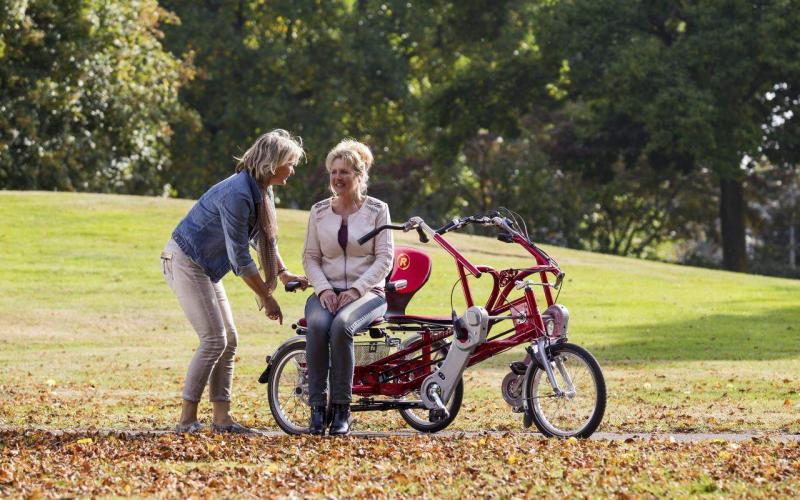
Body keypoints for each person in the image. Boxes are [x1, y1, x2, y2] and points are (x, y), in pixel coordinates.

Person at [161, 129, 308, 434]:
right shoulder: (239, 193)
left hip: (206, 268)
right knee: (214, 339)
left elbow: (262, 237)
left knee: (229, 339)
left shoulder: (262, 189)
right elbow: (240, 257)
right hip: (186, 261)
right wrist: (267, 297)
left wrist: (282, 273)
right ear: (273, 163)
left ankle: (222, 419)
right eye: (290, 163)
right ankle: (186, 420)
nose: (292, 170)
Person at [302, 139, 394, 436]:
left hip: (368, 294)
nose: (337, 178)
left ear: (359, 176)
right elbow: (310, 257)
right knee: (317, 325)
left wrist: (355, 291)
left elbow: (385, 259)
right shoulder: (318, 212)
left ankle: (342, 408)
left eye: (344, 172)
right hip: (325, 292)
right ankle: (317, 407)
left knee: (341, 326)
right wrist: (324, 290)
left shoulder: (378, 211)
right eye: (333, 172)